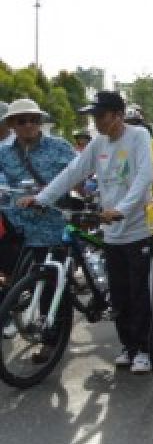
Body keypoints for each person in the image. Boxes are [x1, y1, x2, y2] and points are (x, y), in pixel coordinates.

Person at [25, 91, 153, 374]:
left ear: (118, 115)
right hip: (111, 231)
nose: (96, 122)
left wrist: (122, 208)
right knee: (119, 294)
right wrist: (42, 199)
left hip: (136, 228)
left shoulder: (138, 137)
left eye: (101, 116)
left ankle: (144, 349)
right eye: (93, 117)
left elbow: (144, 177)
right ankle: (128, 347)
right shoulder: (98, 144)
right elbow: (72, 173)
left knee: (137, 293)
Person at [0, 99, 76, 359]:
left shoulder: (60, 148)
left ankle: (52, 339)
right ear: (11, 124)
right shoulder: (3, 153)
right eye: (22, 120)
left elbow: (80, 175)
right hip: (16, 228)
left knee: (51, 284)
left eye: (34, 119)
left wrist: (56, 191)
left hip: (51, 227)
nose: (29, 125)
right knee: (10, 282)